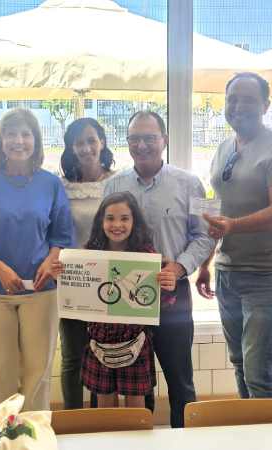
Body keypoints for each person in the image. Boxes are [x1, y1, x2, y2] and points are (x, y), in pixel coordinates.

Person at [104, 111, 213, 428]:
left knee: (180, 379)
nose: (142, 145)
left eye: (150, 138)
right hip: (126, 296)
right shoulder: (112, 185)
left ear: (164, 140)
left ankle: (186, 440)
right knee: (137, 384)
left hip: (172, 291)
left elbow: (205, 236)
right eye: (134, 138)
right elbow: (103, 235)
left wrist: (179, 267)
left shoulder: (191, 183)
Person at [0, 108, 74, 411]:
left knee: (38, 374)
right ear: (0, 141)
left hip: (40, 291)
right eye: (11, 134)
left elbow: (61, 236)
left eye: (26, 134)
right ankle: (2, 432)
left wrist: (51, 261)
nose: (18, 141)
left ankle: (33, 432)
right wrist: (0, 269)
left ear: (36, 141)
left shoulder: (50, 184)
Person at [201, 72, 272, 399]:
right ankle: (248, 424)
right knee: (238, 362)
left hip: (265, 274)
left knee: (257, 370)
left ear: (265, 106)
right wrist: (205, 264)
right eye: (232, 99)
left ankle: (265, 427)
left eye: (248, 99)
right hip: (226, 270)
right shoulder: (222, 149)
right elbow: (218, 211)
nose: (238, 106)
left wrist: (232, 226)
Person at [52, 192, 176, 408]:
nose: (117, 225)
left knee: (136, 408)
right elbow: (74, 291)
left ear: (134, 221)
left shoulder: (146, 255)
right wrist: (61, 276)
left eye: (124, 218)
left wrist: (168, 285)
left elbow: (161, 301)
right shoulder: (90, 253)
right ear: (101, 221)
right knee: (104, 410)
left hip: (134, 341)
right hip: (100, 341)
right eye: (110, 218)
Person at [59, 117, 116, 409]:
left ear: (102, 142)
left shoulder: (117, 182)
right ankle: (72, 419)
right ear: (71, 147)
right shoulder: (60, 187)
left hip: (108, 280)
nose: (86, 148)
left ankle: (98, 421)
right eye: (79, 142)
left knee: (101, 354)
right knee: (72, 356)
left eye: (91, 140)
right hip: (73, 280)